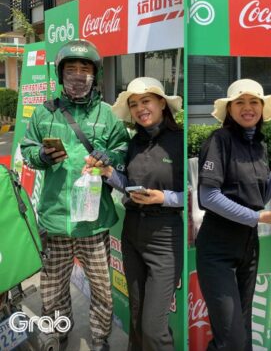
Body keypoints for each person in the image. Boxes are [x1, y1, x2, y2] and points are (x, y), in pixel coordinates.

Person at [21, 39, 129, 350]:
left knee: (102, 288)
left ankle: (99, 338)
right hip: (55, 218)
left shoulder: (107, 114)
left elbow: (123, 149)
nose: (79, 75)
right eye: (72, 69)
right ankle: (58, 331)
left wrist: (110, 157)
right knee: (52, 288)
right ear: (61, 73)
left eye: (85, 69)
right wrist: (41, 155)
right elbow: (28, 149)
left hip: (93, 222)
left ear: (96, 74)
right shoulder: (44, 113)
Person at [196, 79, 271, 351]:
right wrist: (260, 218)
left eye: (254, 102)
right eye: (239, 102)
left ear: (262, 108)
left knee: (243, 331)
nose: (247, 107)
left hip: (248, 246)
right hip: (217, 247)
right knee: (231, 338)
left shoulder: (259, 145)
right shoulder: (219, 140)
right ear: (229, 109)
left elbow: (260, 198)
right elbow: (209, 197)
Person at [85, 77, 183, 351]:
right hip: (132, 234)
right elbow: (128, 184)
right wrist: (107, 173)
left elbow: (196, 194)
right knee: (137, 316)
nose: (140, 108)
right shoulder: (134, 143)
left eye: (146, 101)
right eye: (134, 104)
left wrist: (164, 198)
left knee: (153, 328)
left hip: (165, 237)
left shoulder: (181, 140)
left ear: (162, 103)